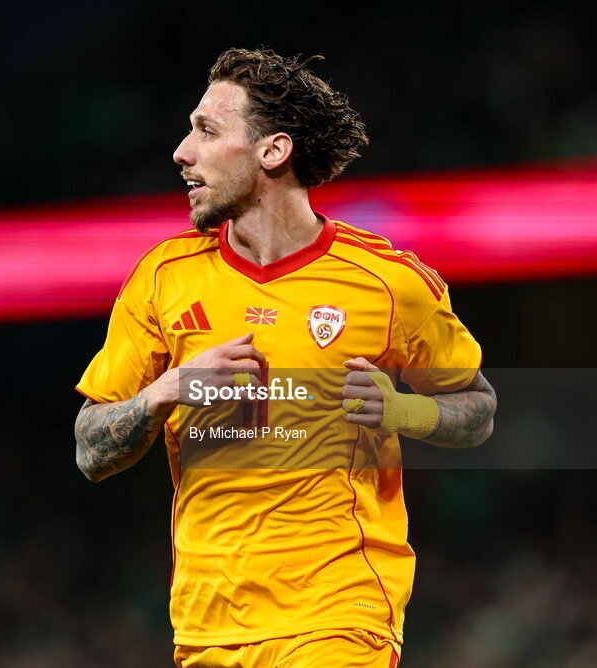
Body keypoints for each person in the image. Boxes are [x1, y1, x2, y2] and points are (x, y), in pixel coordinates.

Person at [74, 47, 496, 667]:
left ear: (273, 152)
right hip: (206, 626)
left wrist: (402, 413)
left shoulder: (387, 282)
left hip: (339, 614)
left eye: (206, 131)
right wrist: (168, 390)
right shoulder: (163, 279)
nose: (181, 152)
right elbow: (90, 450)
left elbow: (478, 408)